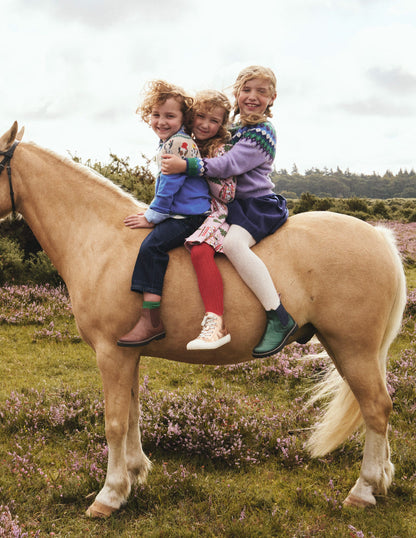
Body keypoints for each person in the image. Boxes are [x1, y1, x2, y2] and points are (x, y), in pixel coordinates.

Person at [161, 66, 297, 358]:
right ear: (236, 93)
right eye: (246, 90)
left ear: (272, 97)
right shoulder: (236, 129)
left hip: (257, 205)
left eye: (261, 91)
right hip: (233, 206)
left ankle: (278, 315)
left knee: (234, 244)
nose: (252, 96)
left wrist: (187, 166)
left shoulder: (261, 133)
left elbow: (229, 165)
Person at [117, 80, 211, 347]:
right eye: (156, 115)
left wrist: (151, 217)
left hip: (189, 217)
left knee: (152, 248)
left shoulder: (178, 143)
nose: (161, 121)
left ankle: (151, 320)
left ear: (183, 118)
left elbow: (169, 187)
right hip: (182, 212)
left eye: (170, 116)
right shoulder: (171, 142)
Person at [183, 90, 236, 350]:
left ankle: (216, 322)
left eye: (213, 121)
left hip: (217, 210)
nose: (205, 124)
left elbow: (228, 192)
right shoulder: (183, 142)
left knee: (201, 250)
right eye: (200, 117)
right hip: (188, 208)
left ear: (221, 125)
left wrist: (201, 168)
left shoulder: (220, 149)